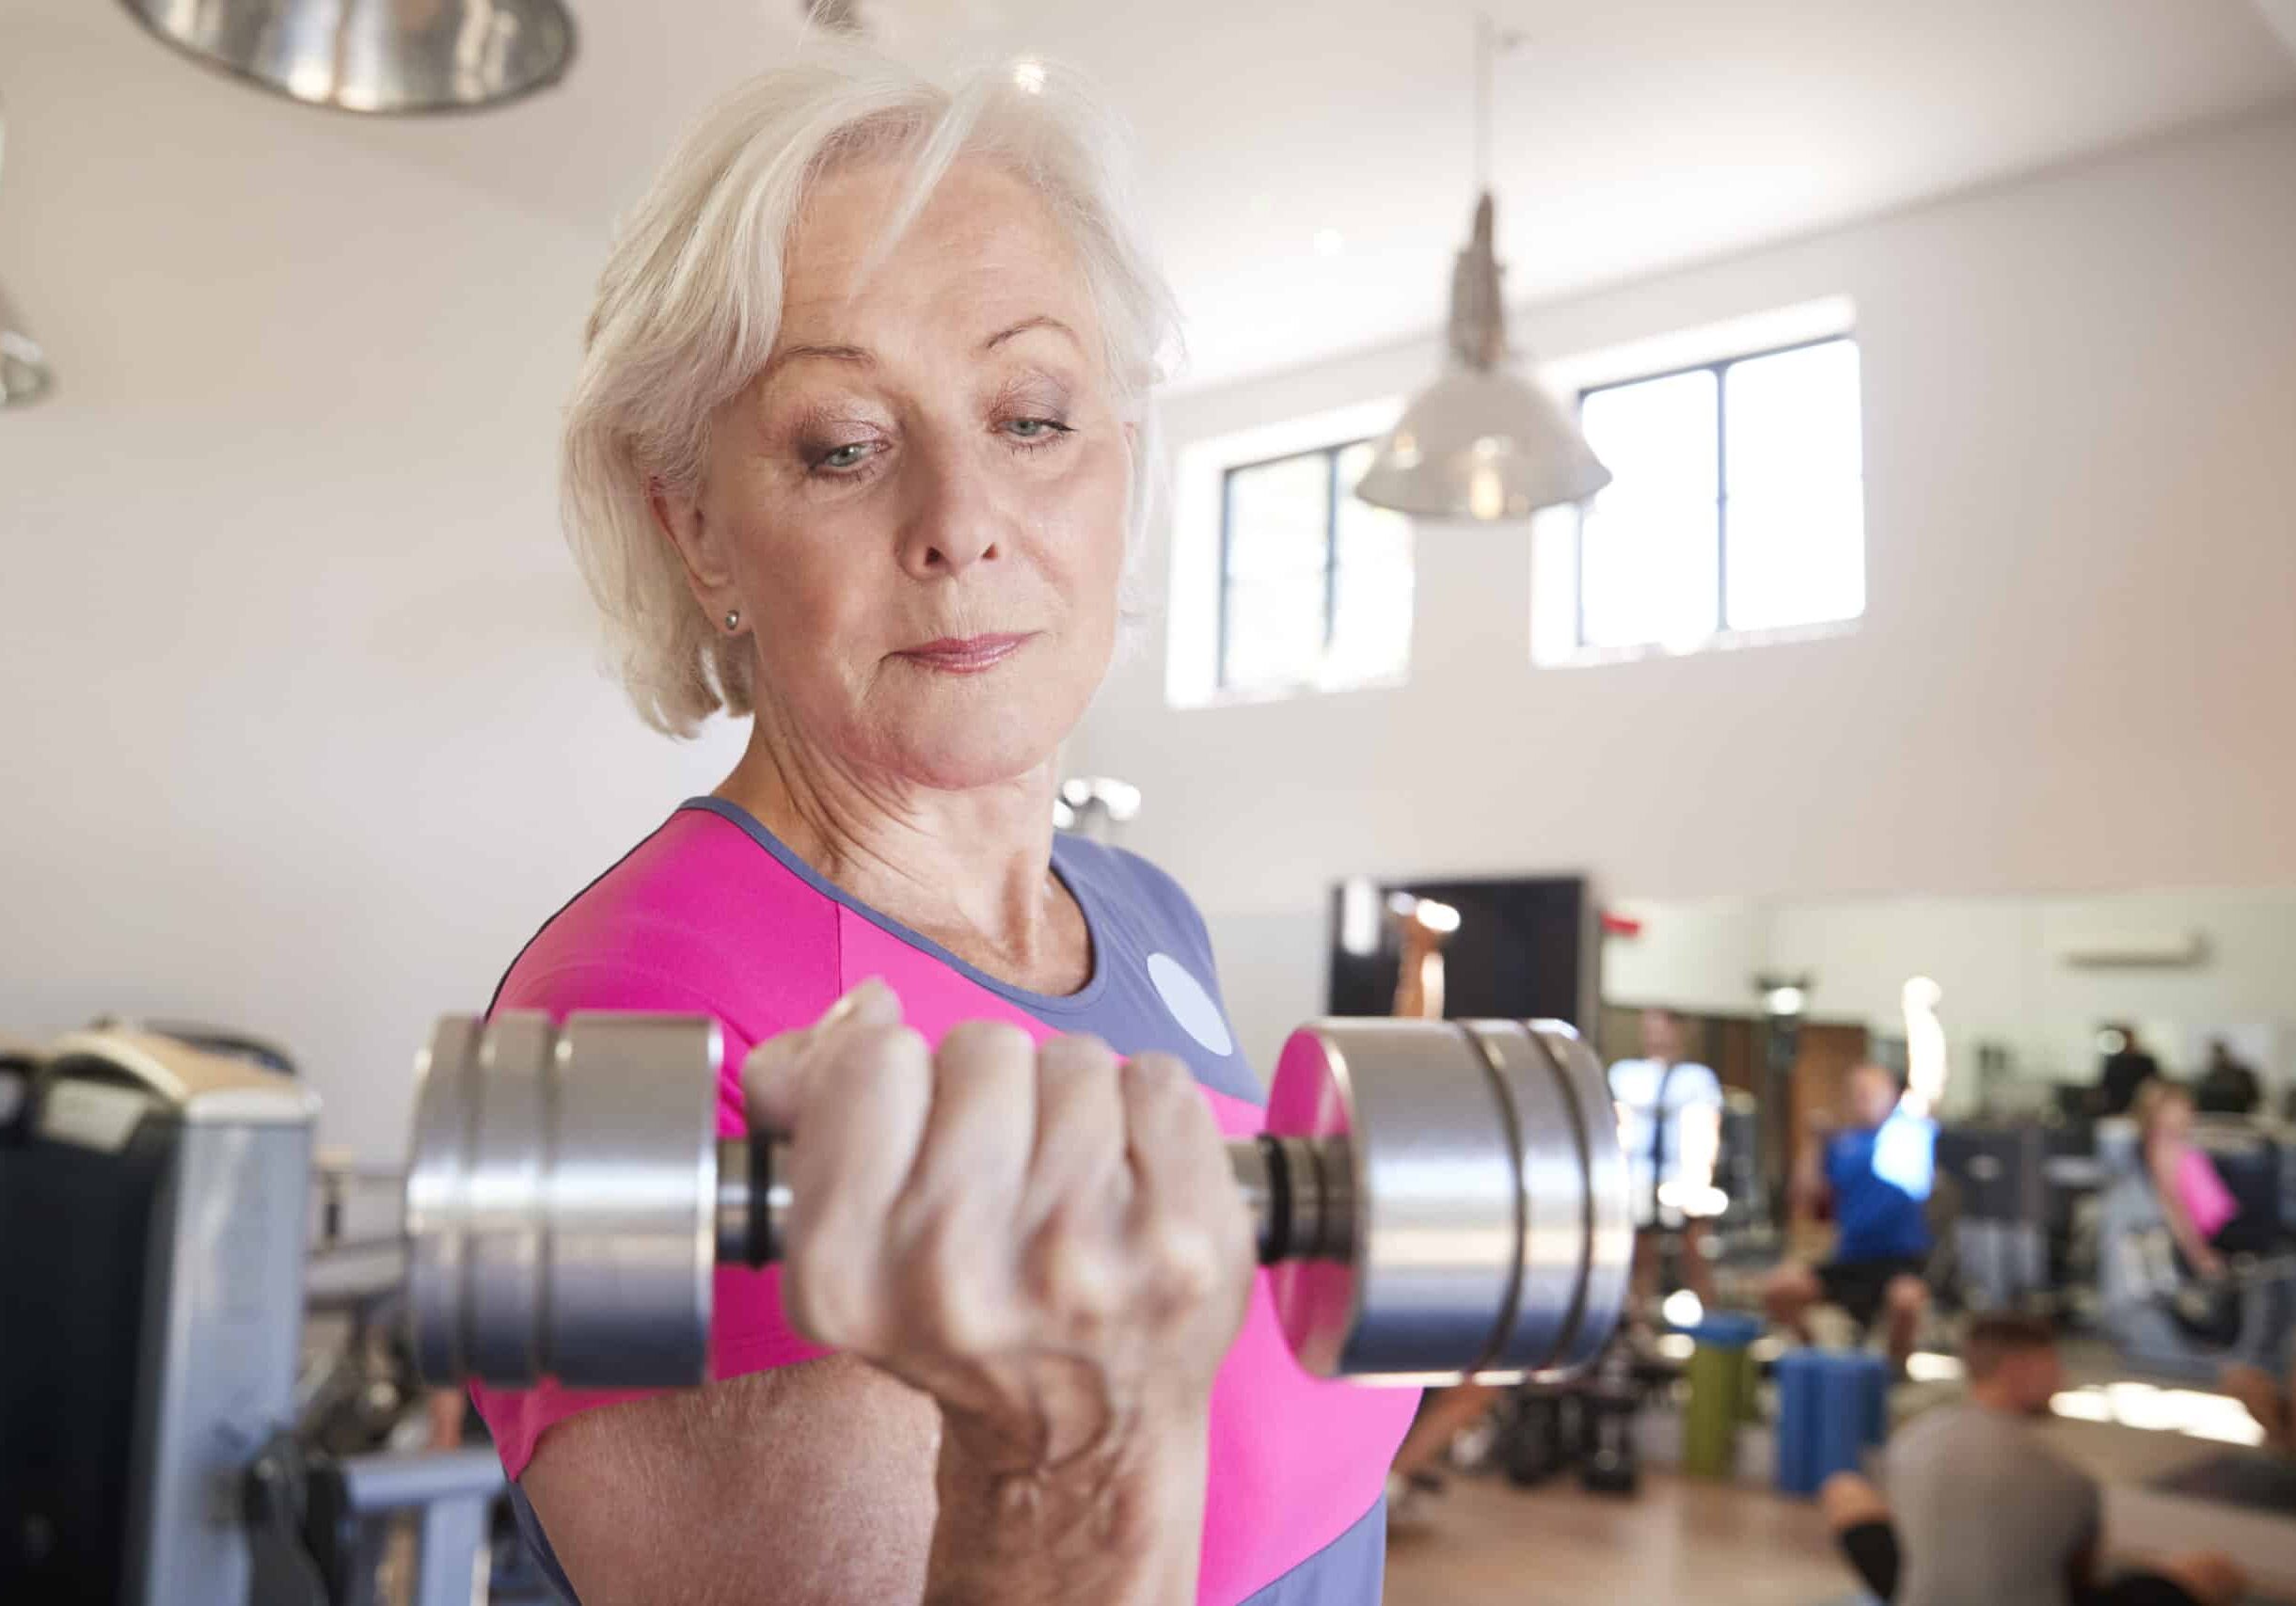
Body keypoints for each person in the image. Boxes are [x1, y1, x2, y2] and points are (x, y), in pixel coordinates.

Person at [463, 49, 1416, 1605]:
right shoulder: (610, 1021)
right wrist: (1067, 1453)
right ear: (695, 527)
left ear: (1125, 466)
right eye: (842, 445)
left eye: (1033, 417)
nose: (962, 517)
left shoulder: (1146, 914)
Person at [1820, 1314, 2246, 1606]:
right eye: (2053, 1367)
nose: (2063, 1380)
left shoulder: (1910, 1441)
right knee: (2211, 1569)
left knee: (1845, 1489)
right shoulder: (2064, 1473)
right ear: (2018, 1369)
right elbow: (2079, 1582)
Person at [1764, 1062, 1940, 1372]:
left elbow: (1929, 1081)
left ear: (1890, 1097)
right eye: (1856, 1094)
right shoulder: (1839, 1145)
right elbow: (1803, 1196)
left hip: (1898, 1261)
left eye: (1871, 1093)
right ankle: (1819, 1361)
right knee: (1780, 1290)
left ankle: (1894, 1372)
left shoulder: (1909, 1132)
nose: (1863, 1100)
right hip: (1848, 1259)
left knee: (1906, 1301)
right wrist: (1813, 1143)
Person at [1607, 1007, 1723, 1310]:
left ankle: (1707, 1331)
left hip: (1681, 1179)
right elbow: (1618, 1129)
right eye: (1650, 1027)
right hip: (1638, 1179)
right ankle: (1639, 1326)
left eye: (1663, 1027)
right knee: (1639, 1259)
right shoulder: (1626, 1075)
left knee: (1695, 1258)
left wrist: (1697, 1184)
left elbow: (1704, 1130)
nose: (1656, 1034)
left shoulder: (1696, 1079)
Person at [2097, 1024, 2163, 1119]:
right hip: (2118, 1108)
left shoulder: (2145, 1061)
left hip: (2143, 1105)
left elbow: (2155, 1083)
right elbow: (2105, 1087)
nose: (2127, 1042)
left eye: (2129, 1038)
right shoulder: (2114, 1063)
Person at [2193, 1039, 2262, 1118]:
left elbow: (2254, 1098)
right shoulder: (2205, 1078)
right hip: (2213, 1119)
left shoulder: (2242, 1075)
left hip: (2239, 1119)